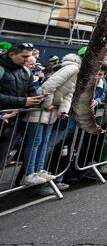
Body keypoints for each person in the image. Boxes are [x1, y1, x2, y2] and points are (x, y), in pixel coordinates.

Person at [20, 52, 81, 187]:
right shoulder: (72, 69)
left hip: (50, 112)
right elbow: (48, 87)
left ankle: (40, 170)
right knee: (36, 142)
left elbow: (68, 94)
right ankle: (30, 173)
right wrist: (48, 105)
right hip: (41, 110)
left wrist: (62, 110)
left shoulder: (76, 71)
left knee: (44, 142)